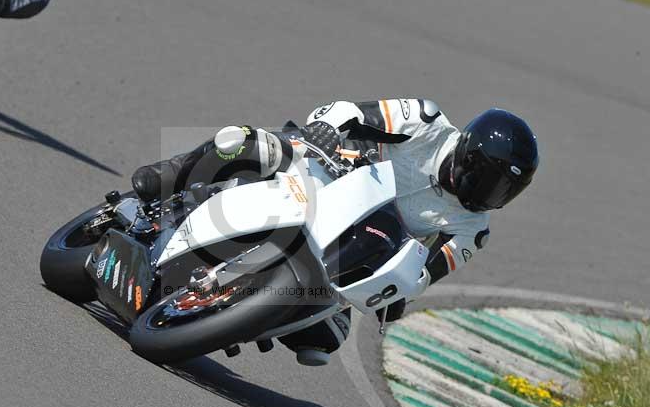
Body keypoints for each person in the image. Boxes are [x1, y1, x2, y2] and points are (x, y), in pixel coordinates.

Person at [131, 98, 539, 365]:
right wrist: (331, 128)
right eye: (487, 179)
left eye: (504, 190)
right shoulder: (426, 121)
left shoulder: (474, 229)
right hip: (330, 168)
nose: (489, 194)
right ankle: (172, 173)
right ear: (467, 153)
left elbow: (426, 273)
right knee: (251, 144)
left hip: (358, 240)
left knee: (324, 338)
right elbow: (352, 112)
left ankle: (226, 309)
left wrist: (395, 296)